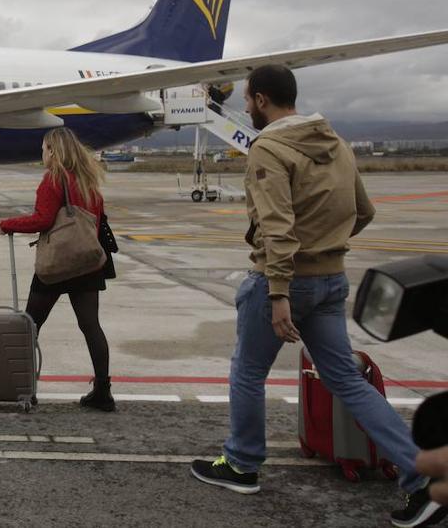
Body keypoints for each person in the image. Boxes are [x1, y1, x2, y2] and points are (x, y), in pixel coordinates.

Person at [189, 65, 441, 528]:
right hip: (331, 278)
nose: (245, 108)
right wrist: (327, 245)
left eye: (247, 101)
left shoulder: (269, 148)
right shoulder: (338, 144)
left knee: (247, 372)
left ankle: (242, 464)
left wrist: (280, 291)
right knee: (346, 380)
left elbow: (277, 229)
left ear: (262, 99)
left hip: (281, 283)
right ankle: (423, 476)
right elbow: (363, 211)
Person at [0, 126, 116, 412]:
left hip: (57, 265)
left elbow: (43, 219)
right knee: (91, 326)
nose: (42, 153)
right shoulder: (88, 180)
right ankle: (103, 391)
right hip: (87, 262)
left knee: (30, 326)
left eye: (45, 148)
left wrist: (5, 224)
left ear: (54, 151)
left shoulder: (54, 179)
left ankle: (21, 386)